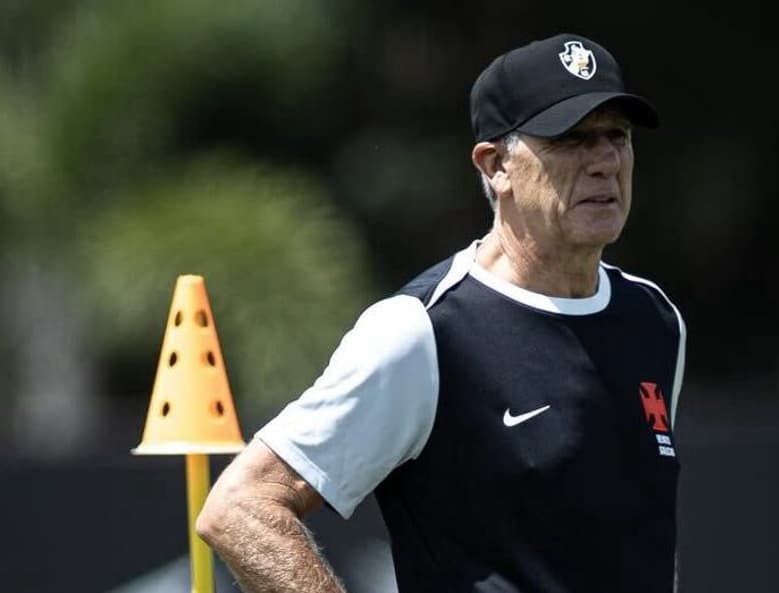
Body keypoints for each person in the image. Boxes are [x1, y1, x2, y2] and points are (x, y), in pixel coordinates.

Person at [197, 32, 686, 593]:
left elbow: (645, 536)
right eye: (570, 138)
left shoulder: (655, 318)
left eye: (617, 136)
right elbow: (241, 507)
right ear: (496, 165)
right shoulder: (425, 331)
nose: (604, 160)